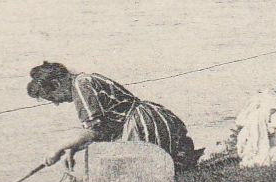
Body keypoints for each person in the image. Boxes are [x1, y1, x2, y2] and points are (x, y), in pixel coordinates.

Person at [26, 61, 201, 171]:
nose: (56, 103)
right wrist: (72, 149)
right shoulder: (84, 80)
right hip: (147, 118)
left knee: (138, 171)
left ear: (56, 84)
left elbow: (93, 131)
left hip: (140, 124)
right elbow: (100, 128)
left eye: (52, 98)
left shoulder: (80, 86)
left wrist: (58, 147)